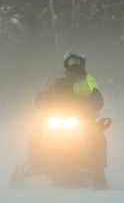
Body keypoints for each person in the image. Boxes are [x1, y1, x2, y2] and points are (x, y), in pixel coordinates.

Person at [35, 49, 108, 189]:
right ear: (65, 64)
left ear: (83, 63)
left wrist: (94, 101)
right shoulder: (58, 81)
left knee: (95, 136)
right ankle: (37, 163)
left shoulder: (89, 80)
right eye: (70, 61)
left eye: (77, 61)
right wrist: (40, 98)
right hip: (60, 116)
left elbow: (97, 96)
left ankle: (99, 171)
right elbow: (46, 94)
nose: (74, 65)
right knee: (37, 133)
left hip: (85, 118)